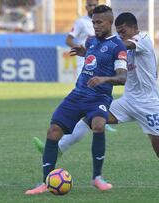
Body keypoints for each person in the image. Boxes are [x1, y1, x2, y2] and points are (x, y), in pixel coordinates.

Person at [34, 12, 159, 186]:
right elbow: (109, 53)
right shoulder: (119, 44)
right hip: (127, 102)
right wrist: (88, 52)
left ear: (134, 27)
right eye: (119, 32)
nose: (121, 35)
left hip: (149, 105)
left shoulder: (143, 39)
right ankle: (59, 149)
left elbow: (119, 46)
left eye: (123, 31)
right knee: (92, 119)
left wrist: (103, 45)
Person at [25, 5, 128, 195]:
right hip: (78, 94)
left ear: (110, 22)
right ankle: (45, 182)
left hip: (99, 97)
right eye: (93, 22)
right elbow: (93, 57)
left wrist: (104, 79)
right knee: (53, 131)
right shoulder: (91, 41)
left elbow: (122, 77)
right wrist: (84, 52)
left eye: (99, 22)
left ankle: (97, 177)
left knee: (98, 124)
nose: (95, 26)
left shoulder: (118, 47)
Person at [64, 0, 117, 132]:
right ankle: (94, 118)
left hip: (102, 61)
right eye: (90, 5)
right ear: (85, 6)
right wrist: (77, 47)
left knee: (101, 89)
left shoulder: (103, 21)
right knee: (85, 91)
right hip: (85, 60)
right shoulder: (81, 22)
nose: (92, 7)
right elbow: (69, 39)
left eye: (94, 5)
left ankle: (99, 116)